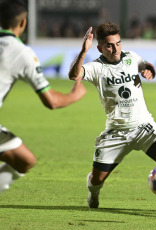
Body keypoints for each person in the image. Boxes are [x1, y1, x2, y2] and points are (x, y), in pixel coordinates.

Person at [68, 22, 156, 218]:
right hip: (116, 131)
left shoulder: (131, 57)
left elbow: (147, 66)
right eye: (109, 45)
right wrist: (84, 51)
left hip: (144, 126)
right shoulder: (96, 68)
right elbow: (73, 75)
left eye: (118, 43)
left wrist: (149, 70)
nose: (115, 49)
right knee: (96, 179)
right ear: (100, 47)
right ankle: (93, 194)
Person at [0, 0, 86, 194]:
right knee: (25, 161)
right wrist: (74, 95)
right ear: (23, 23)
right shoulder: (21, 52)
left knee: (24, 159)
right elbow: (52, 101)